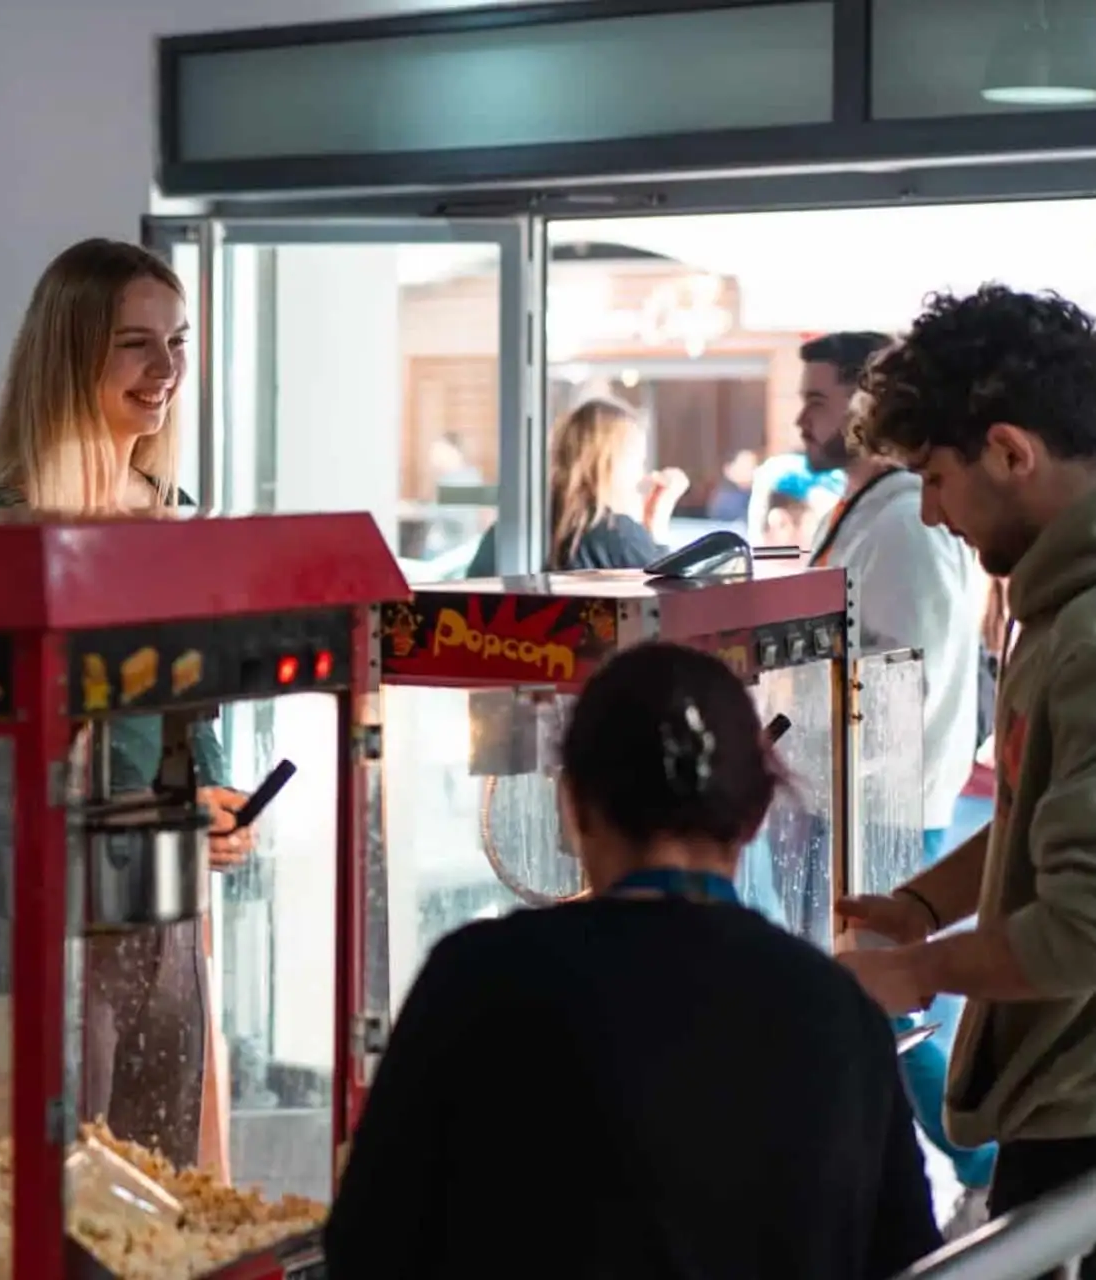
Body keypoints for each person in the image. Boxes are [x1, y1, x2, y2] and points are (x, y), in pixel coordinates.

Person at [327, 642, 940, 1276]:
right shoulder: (839, 1013)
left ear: (573, 806)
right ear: (756, 814)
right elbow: (912, 1263)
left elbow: (365, 1247)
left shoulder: (477, 980)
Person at [0, 237, 255, 1169]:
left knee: (159, 1205)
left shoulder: (178, 513)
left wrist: (217, 801)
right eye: (136, 343)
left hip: (166, 921)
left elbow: (188, 720)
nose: (165, 371)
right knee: (45, 1205)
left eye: (178, 342)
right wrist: (156, 807)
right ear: (71, 350)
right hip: (49, 909)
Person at [838, 285, 1096, 1273]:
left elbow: (1081, 924)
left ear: (1010, 451)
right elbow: (1046, 808)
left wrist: (912, 973)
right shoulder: (1052, 602)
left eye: (934, 479)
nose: (932, 514)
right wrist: (922, 902)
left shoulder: (1082, 632)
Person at [797, 330, 996, 1225]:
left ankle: (982, 1166)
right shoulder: (872, 512)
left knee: (893, 1007)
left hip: (880, 804)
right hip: (853, 799)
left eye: (820, 399)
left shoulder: (906, 525)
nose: (802, 415)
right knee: (883, 1004)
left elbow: (892, 686)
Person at [465, 398, 688, 576]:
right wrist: (657, 530)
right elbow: (668, 606)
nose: (641, 475)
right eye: (637, 461)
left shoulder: (509, 530)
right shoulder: (618, 535)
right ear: (609, 463)